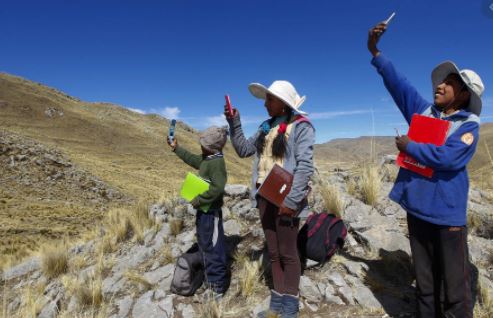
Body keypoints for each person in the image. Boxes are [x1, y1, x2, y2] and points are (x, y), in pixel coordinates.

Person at [368, 21, 485, 318]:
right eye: (440, 80)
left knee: (455, 289)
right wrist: (375, 51)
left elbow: (449, 159)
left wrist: (410, 147)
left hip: (447, 216)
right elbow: (399, 84)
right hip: (417, 211)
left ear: (463, 95)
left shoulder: (467, 125)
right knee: (425, 283)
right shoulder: (422, 113)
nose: (440, 85)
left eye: (449, 82)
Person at [225, 80, 315, 318]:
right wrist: (234, 122)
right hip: (265, 197)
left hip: (286, 200)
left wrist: (292, 202)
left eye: (270, 100)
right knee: (274, 252)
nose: (265, 104)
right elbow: (243, 149)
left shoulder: (302, 127)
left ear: (283, 104)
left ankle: (290, 306)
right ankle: (276, 304)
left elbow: (305, 167)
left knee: (288, 252)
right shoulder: (266, 127)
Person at [167, 126, 229, 299]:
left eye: (203, 144)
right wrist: (176, 148)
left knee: (213, 248)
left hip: (211, 213)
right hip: (204, 212)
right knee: (204, 244)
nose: (200, 147)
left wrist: (199, 199)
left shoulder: (216, 163)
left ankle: (217, 288)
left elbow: (218, 188)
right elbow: (194, 160)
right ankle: (209, 280)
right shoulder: (209, 158)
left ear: (211, 147)